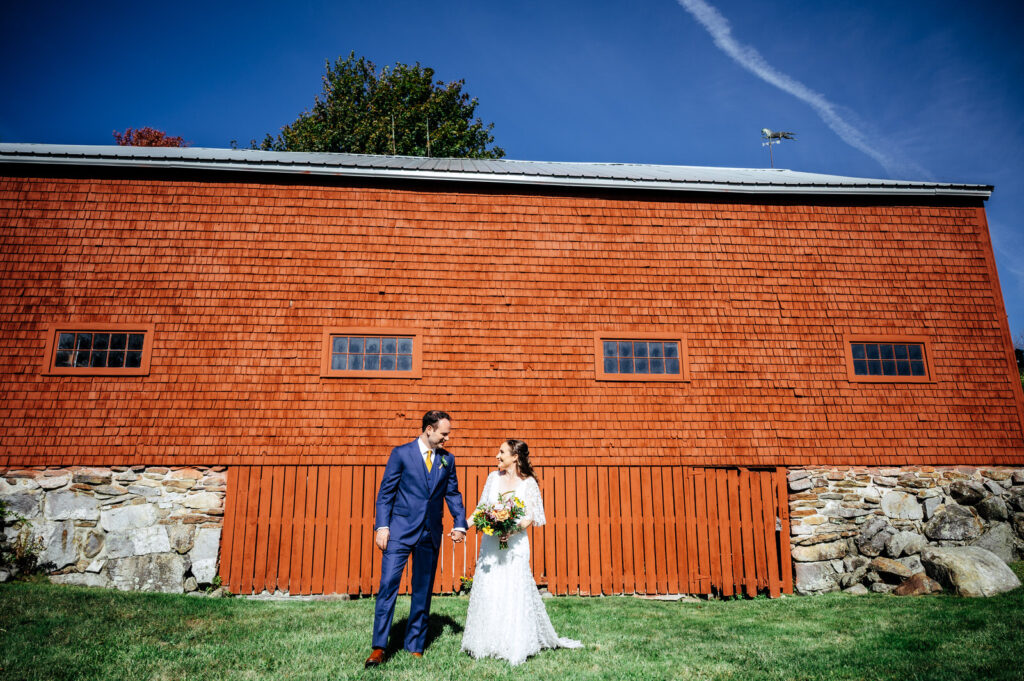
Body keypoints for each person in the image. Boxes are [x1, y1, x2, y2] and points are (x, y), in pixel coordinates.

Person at [461, 439, 582, 666]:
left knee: (513, 588)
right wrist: (463, 527)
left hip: (515, 545)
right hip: (491, 543)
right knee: (490, 586)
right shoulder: (492, 478)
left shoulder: (529, 484)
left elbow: (530, 518)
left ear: (515, 456)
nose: (497, 456)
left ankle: (514, 642)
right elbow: (481, 509)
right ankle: (487, 641)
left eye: (501, 452)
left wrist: (511, 529)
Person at [365, 410, 468, 668]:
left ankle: (415, 646)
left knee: (422, 592)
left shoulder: (448, 460)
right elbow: (386, 493)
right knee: (388, 585)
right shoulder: (401, 454)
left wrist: (460, 524)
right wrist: (382, 527)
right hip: (399, 532)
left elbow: (453, 493)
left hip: (429, 533)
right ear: (429, 429)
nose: (447, 439)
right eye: (444, 434)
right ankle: (379, 648)